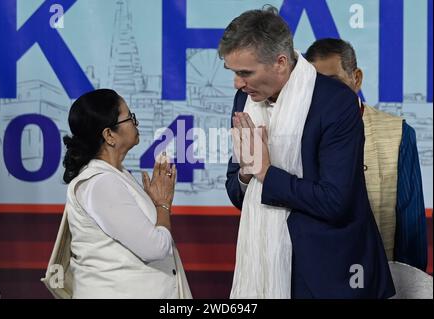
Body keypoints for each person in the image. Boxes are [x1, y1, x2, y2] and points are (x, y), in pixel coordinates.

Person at [220, 7, 395, 298]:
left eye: (245, 73)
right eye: (234, 73)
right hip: (263, 270)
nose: (237, 83)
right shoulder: (245, 100)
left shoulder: (336, 102)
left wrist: (266, 172)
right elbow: (237, 190)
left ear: (280, 62)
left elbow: (336, 202)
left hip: (334, 276)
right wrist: (246, 174)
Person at [305, 38, 427, 272]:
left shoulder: (398, 133)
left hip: (381, 277)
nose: (323, 95)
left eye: (333, 84)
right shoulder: (297, 131)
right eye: (314, 86)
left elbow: (410, 224)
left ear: (356, 78)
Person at [57, 89, 191, 298]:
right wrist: (163, 205)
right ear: (109, 135)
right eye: (129, 118)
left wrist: (154, 203)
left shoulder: (117, 175)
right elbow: (155, 248)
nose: (135, 123)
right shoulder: (101, 183)